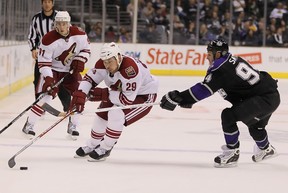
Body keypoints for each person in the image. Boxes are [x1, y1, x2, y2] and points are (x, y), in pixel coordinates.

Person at [160, 39, 280, 168]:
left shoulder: (220, 68)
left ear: (217, 54)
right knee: (255, 125)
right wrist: (187, 100)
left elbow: (203, 90)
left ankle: (232, 153)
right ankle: (266, 149)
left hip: (263, 99)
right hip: (271, 96)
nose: (207, 57)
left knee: (228, 116)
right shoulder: (231, 61)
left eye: (209, 54)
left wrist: (179, 97)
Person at [70, 42, 158, 161]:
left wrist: (103, 94)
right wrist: (81, 95)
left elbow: (126, 100)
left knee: (116, 113)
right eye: (105, 61)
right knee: (102, 113)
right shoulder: (102, 64)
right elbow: (89, 79)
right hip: (121, 92)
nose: (107, 65)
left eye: (110, 61)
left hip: (143, 97)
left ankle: (106, 148)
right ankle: (93, 144)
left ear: (119, 57)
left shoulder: (130, 70)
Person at [22, 11, 91, 140]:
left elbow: (86, 50)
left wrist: (80, 60)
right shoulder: (48, 39)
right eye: (58, 23)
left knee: (79, 95)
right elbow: (43, 63)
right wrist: (48, 78)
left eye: (64, 23)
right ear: (55, 24)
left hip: (70, 70)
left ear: (68, 23)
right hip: (52, 70)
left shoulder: (80, 34)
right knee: (45, 98)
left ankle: (73, 125)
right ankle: (29, 125)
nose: (61, 27)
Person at [28, 0, 71, 112]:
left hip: (57, 56)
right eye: (45, 1)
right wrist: (33, 48)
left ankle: (68, 105)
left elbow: (68, 32)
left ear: (53, 3)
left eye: (49, 1)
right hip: (42, 55)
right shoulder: (36, 18)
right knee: (38, 80)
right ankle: (40, 106)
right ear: (42, 3)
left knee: (60, 80)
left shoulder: (60, 17)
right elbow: (32, 36)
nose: (47, 4)